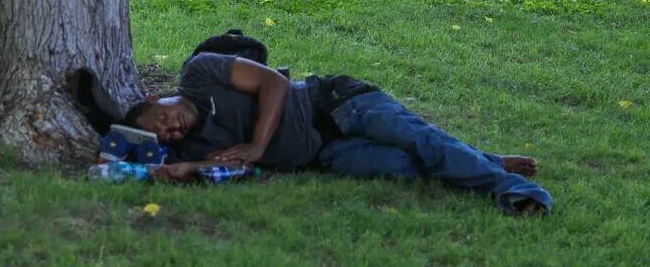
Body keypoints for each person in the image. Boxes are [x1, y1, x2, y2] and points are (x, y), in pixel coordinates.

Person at [125, 54, 552, 215]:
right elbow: (231, 171)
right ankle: (484, 161)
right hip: (326, 154)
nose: (172, 129)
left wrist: (257, 145)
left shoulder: (201, 73)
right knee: (408, 166)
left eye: (162, 119)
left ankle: (517, 191)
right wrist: (188, 166)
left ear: (157, 97)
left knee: (423, 141)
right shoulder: (195, 144)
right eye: (166, 137)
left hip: (336, 105)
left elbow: (273, 82)